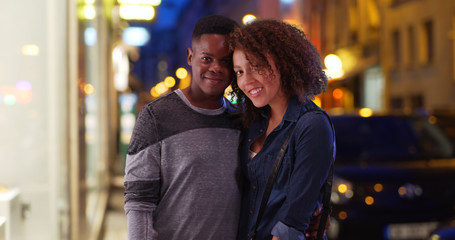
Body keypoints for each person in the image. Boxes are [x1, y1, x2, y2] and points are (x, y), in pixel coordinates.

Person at [124, 15, 328, 240]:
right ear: (190, 57)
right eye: (207, 58)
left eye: (226, 62)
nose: (216, 68)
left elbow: (268, 189)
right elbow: (138, 202)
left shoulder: (242, 120)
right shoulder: (155, 117)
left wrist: (311, 210)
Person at [230, 18, 335, 240]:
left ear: (283, 62)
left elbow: (291, 224)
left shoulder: (311, 124)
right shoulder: (252, 122)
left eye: (255, 66)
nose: (246, 80)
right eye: (239, 71)